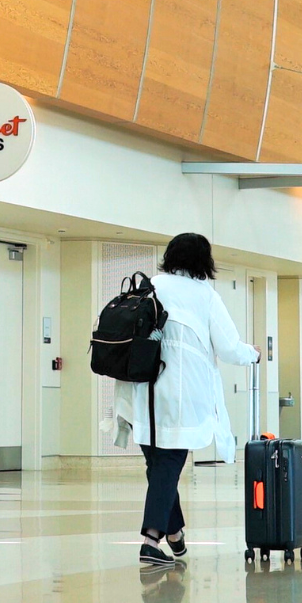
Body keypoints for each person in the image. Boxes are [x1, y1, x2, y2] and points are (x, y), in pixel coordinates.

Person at [108, 234, 258, 566]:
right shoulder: (205, 295)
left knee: (158, 465)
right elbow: (229, 348)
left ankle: (174, 535)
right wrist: (254, 354)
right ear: (204, 260)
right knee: (168, 465)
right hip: (181, 395)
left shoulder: (150, 286)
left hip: (140, 391)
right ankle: (150, 540)